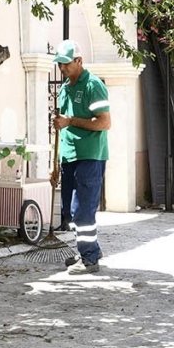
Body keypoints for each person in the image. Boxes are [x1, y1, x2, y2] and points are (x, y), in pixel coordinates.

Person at [54, 39, 111, 274]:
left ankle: (88, 260)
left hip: (90, 156)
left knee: (83, 209)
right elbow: (60, 127)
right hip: (69, 156)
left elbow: (105, 123)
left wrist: (71, 121)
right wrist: (56, 164)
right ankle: (90, 250)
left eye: (66, 64)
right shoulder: (64, 89)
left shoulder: (93, 85)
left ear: (79, 61)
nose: (62, 69)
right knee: (69, 210)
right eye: (59, 65)